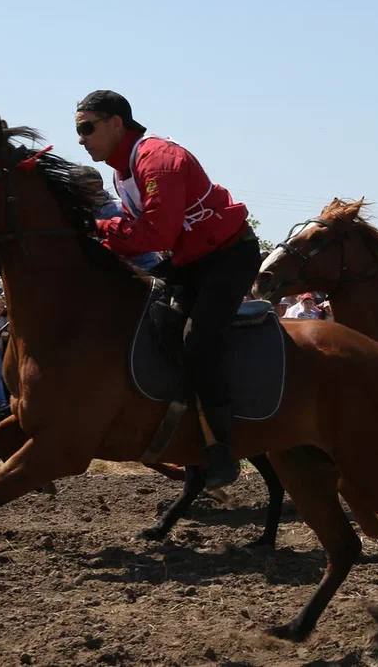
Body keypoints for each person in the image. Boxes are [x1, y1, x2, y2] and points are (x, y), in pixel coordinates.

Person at [78, 89, 258, 489]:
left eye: (86, 128)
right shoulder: (122, 169)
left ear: (115, 124)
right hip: (192, 260)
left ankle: (221, 451)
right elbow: (139, 232)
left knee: (197, 342)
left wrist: (98, 229)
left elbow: (154, 232)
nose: (81, 139)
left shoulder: (157, 159)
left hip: (228, 257)